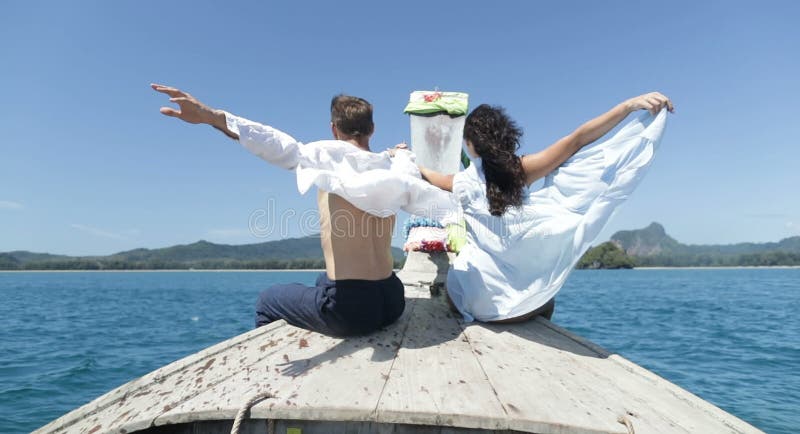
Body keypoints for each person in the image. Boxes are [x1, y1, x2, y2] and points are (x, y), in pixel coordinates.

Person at [151, 83, 452, 336]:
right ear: (372, 129)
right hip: (392, 299)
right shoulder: (396, 168)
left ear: (334, 129)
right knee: (323, 280)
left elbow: (269, 141)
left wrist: (209, 116)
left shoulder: (323, 158)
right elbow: (405, 162)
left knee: (267, 300)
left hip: (352, 313)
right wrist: (398, 153)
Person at [419, 92, 674, 323]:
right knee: (545, 300)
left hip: (475, 300)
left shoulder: (461, 182)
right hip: (515, 309)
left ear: (471, 144)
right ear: (506, 136)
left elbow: (428, 176)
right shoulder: (522, 170)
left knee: (454, 281)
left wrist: (405, 158)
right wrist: (629, 106)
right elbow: (577, 139)